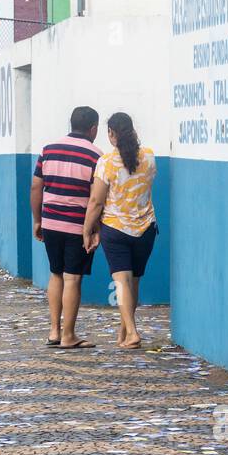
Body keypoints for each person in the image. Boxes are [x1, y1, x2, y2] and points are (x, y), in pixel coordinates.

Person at [83, 112, 158, 349]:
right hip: (145, 228)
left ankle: (133, 332)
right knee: (133, 282)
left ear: (111, 134)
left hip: (115, 229)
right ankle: (124, 332)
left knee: (121, 283)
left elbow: (95, 202)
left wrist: (87, 230)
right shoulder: (149, 157)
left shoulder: (106, 162)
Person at [31, 106, 102, 348]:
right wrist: (93, 229)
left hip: (51, 221)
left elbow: (35, 187)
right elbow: (95, 199)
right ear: (93, 128)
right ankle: (69, 335)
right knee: (73, 279)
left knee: (55, 274)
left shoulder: (48, 150)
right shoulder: (96, 157)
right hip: (77, 225)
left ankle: (53, 331)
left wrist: (37, 219)